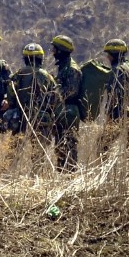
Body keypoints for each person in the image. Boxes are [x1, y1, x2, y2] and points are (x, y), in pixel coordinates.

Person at [2, 44, 59, 161]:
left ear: (25, 58)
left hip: (19, 120)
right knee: (38, 156)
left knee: (13, 155)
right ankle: (36, 178)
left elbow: (11, 98)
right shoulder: (47, 76)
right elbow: (54, 100)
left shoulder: (17, 75)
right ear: (40, 58)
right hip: (41, 121)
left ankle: (7, 177)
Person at [100, 38, 129, 152]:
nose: (107, 57)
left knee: (102, 146)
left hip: (119, 115)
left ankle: (105, 169)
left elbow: (113, 97)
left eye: (109, 54)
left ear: (114, 55)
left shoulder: (116, 70)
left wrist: (109, 118)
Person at [50, 35, 84, 172]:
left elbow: (71, 92)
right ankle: (62, 173)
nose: (53, 52)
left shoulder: (72, 68)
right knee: (60, 146)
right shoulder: (63, 67)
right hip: (63, 111)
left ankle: (69, 174)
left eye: (55, 49)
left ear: (61, 50)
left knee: (68, 145)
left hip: (69, 112)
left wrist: (53, 95)